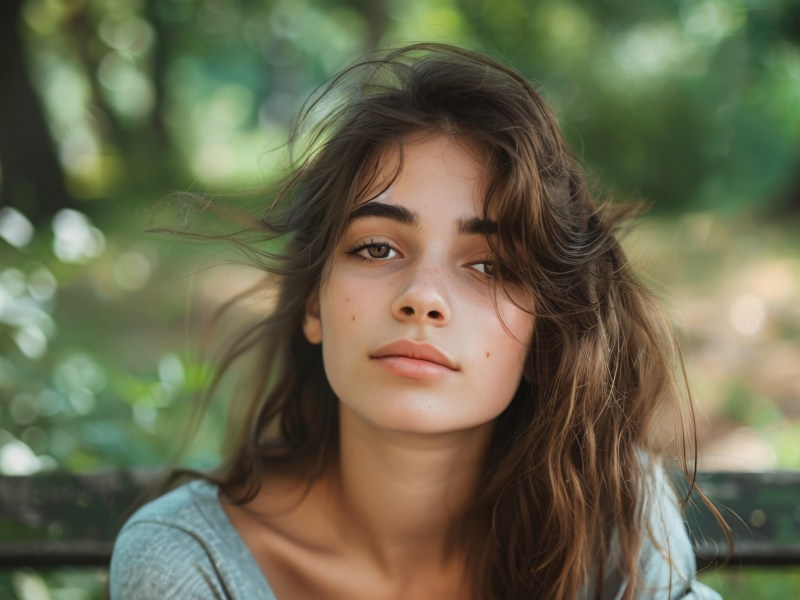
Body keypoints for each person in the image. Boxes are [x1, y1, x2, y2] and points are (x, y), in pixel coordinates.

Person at [109, 43, 726, 599]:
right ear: (314, 304)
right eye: (376, 248)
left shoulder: (616, 523)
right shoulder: (187, 563)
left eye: (489, 266)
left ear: (547, 330)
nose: (422, 298)